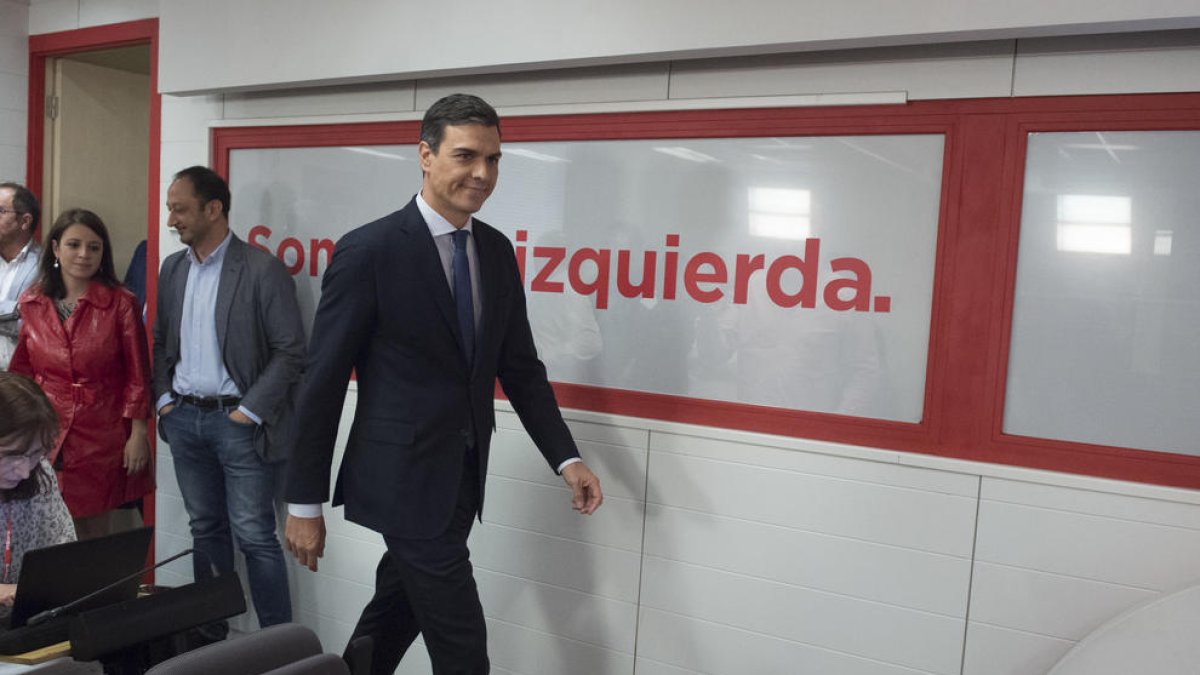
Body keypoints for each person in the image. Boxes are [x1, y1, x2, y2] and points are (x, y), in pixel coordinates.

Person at [283, 93, 604, 675]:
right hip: (400, 480)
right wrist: (303, 501)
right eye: (465, 156)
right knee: (463, 649)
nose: (482, 174)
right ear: (425, 155)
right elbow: (323, 381)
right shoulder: (369, 250)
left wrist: (566, 457)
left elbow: (522, 369)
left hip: (460, 479)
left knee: (393, 614)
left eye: (494, 159)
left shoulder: (497, 253)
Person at [152, 166, 305, 629]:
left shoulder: (261, 269)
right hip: (184, 421)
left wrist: (248, 413)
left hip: (237, 425)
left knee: (256, 537)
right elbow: (160, 343)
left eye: (180, 209)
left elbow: (291, 351)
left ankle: (280, 645)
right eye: (169, 209)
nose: (171, 220)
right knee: (205, 530)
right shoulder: (173, 268)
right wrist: (164, 403)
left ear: (213, 208)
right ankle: (208, 637)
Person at [8, 209, 153, 540]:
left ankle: (96, 593)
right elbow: (23, 372)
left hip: (102, 432)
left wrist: (138, 433)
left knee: (93, 530)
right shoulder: (33, 300)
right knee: (50, 526)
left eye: (94, 247)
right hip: (46, 429)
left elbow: (138, 375)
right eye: (74, 245)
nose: (84, 255)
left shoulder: (120, 303)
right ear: (56, 249)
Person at [0, 372, 77, 611]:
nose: (24, 472)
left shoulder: (39, 473)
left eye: (35, 454)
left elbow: (62, 553)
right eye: (13, 455)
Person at [0, 182, 41, 370]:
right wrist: (14, 310)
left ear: (25, 221)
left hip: (20, 382)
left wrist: (24, 314)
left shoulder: (45, 267)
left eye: (0, 211)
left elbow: (40, 325)